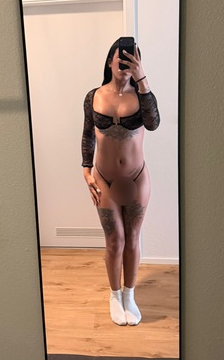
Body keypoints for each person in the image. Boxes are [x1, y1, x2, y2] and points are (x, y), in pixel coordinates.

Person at [81, 38, 160, 326]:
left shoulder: (143, 96)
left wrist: (142, 79)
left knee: (133, 237)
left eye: (132, 59)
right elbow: (87, 134)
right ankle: (114, 296)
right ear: (109, 61)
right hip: (104, 179)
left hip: (137, 178)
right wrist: (86, 170)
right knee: (115, 240)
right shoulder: (93, 97)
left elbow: (153, 123)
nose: (125, 64)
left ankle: (129, 295)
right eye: (121, 58)